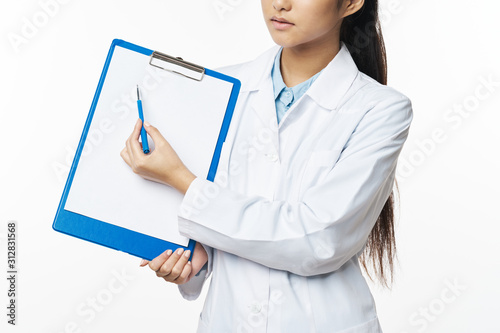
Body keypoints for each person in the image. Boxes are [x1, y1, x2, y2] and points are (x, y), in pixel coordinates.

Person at [120, 0, 413, 331]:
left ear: (350, 3)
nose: (280, 4)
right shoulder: (221, 88)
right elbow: (212, 227)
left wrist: (182, 181)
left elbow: (318, 240)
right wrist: (195, 259)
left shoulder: (381, 110)